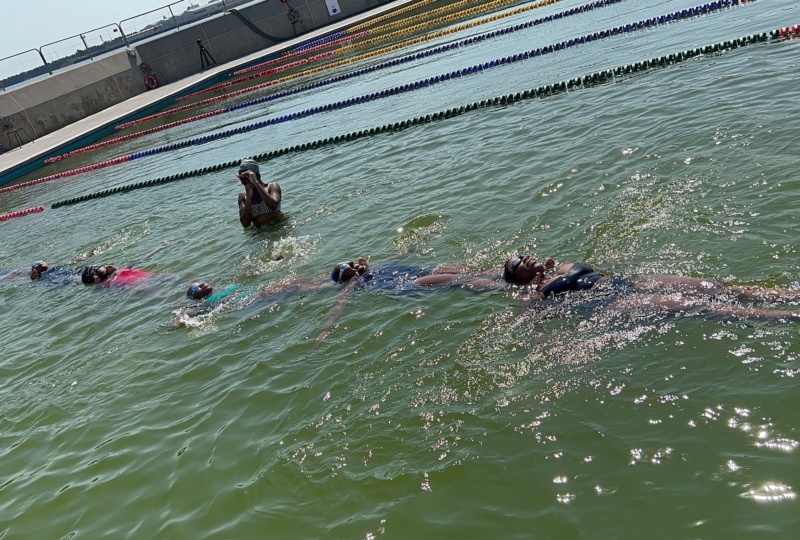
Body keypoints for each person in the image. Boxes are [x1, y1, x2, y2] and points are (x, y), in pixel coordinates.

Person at [237, 159, 282, 230]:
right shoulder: (243, 196)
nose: (243, 181)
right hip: (260, 232)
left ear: (257, 175)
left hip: (278, 224)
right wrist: (248, 198)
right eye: (241, 178)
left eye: (246, 177)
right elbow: (245, 224)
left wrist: (256, 183)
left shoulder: (272, 187)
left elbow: (274, 206)